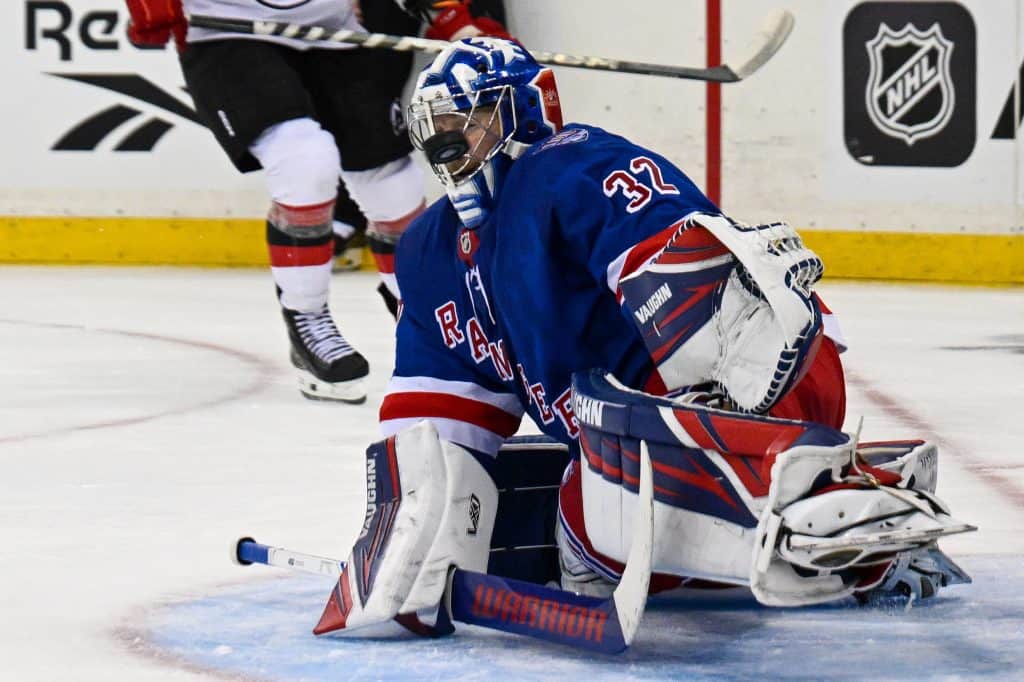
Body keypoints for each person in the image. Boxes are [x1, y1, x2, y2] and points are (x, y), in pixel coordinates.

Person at [302, 38, 971, 635]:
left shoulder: (565, 167)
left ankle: (831, 527)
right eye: (439, 130)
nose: (453, 144)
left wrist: (722, 411)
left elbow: (700, 300)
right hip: (623, 442)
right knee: (578, 535)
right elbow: (434, 433)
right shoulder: (427, 254)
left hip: (752, 387)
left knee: (609, 506)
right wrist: (407, 543)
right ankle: (825, 505)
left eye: (469, 121)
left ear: (525, 111)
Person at [123, 0, 508, 403]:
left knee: (392, 186)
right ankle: (307, 319)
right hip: (227, 32)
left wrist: (453, 19)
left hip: (335, 30)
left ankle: (426, 317)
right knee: (304, 161)